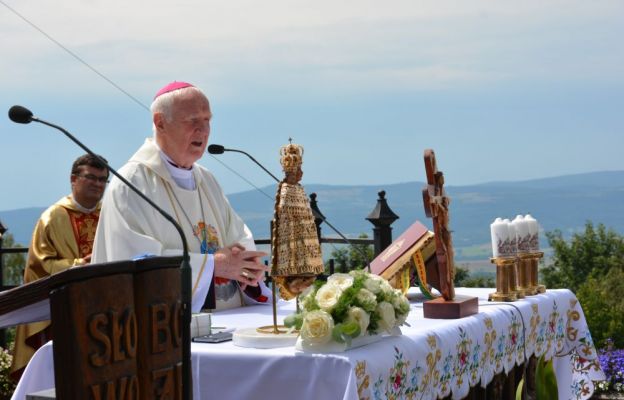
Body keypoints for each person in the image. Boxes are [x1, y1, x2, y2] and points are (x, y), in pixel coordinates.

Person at [92, 81, 271, 312]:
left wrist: (245, 264)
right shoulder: (131, 184)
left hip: (227, 321)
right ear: (160, 122)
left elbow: (237, 235)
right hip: (164, 330)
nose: (203, 130)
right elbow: (133, 265)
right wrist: (212, 266)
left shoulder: (206, 180)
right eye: (193, 120)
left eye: (207, 120)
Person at [10, 154, 109, 380]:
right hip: (67, 309)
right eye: (91, 177)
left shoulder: (109, 214)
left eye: (103, 180)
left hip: (106, 304)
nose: (97, 184)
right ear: (73, 179)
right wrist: (78, 265)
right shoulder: (53, 217)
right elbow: (40, 265)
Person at [271, 140, 324, 300]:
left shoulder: (298, 189)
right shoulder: (287, 190)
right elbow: (287, 217)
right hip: (293, 242)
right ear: (292, 172)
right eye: (298, 169)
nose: (301, 173)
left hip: (305, 241)